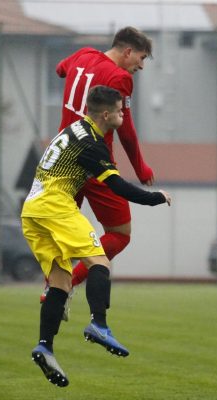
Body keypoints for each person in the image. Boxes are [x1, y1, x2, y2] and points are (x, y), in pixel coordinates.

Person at [22, 85, 171, 387]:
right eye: (119, 111)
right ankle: (99, 325)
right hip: (55, 205)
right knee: (99, 261)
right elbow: (117, 187)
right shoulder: (92, 142)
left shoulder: (74, 129)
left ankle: (45, 347)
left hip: (32, 211)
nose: (122, 115)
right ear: (106, 114)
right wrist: (156, 197)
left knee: (61, 281)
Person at [44, 26, 154, 305]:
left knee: (63, 232)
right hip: (95, 163)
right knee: (119, 234)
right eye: (141, 58)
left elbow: (60, 68)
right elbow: (125, 128)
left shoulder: (83, 54)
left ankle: (53, 289)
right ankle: (70, 283)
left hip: (61, 159)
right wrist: (141, 168)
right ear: (127, 51)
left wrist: (72, 75)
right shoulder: (118, 77)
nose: (140, 66)